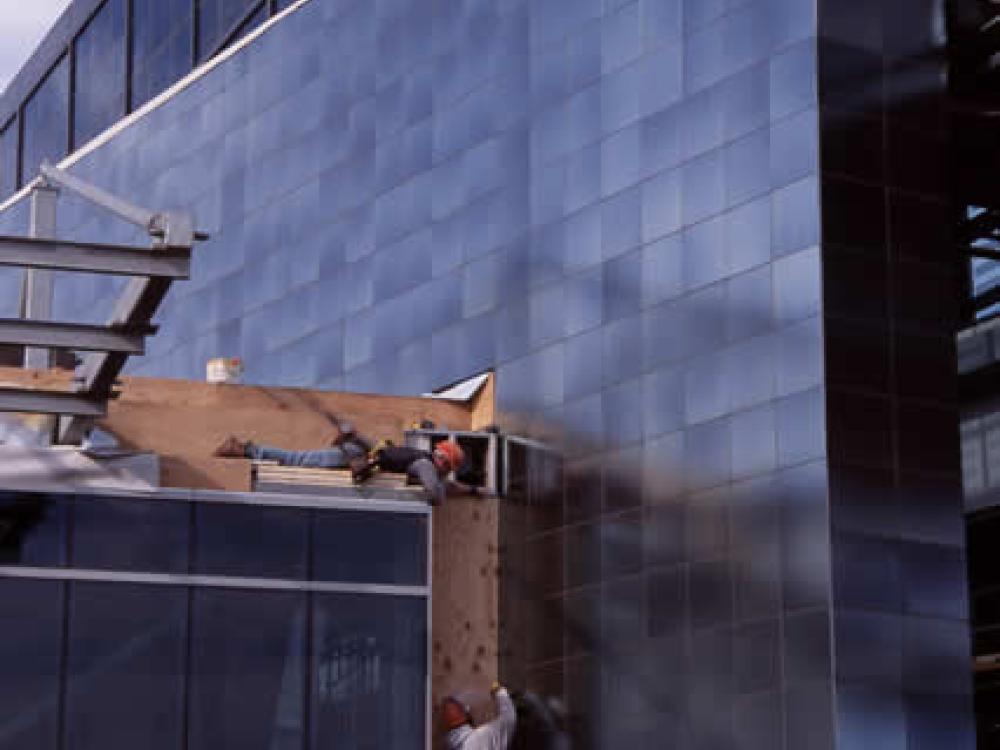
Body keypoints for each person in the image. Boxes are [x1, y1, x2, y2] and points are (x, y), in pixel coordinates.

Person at [352, 440, 479, 506]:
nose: (447, 472)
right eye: (448, 468)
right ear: (441, 460)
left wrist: (474, 490)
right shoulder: (425, 465)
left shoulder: (424, 461)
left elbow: (448, 485)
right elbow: (435, 494)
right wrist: (440, 494)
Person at [211, 418, 371, 469]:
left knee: (296, 458)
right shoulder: (381, 451)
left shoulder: (371, 447)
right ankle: (248, 451)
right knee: (295, 459)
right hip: (353, 454)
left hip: (351, 453)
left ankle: (249, 451)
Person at [442, 683, 516, 750]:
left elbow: (508, 719)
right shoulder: (449, 743)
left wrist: (500, 693)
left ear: (464, 713)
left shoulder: (481, 736)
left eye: (453, 707)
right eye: (445, 708)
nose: (446, 710)